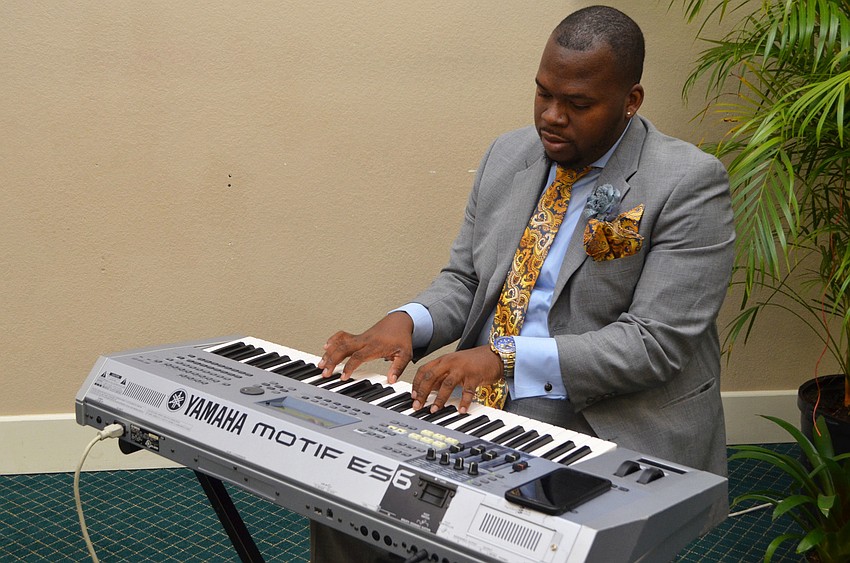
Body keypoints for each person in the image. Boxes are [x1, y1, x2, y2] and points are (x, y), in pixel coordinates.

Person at [314, 5, 735, 561]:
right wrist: (407, 322)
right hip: (480, 393)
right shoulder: (507, 154)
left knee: (508, 534)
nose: (552, 117)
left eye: (578, 104)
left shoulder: (688, 183)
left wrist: (506, 357)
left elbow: (655, 344)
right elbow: (467, 279)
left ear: (630, 101)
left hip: (607, 411)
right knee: (346, 505)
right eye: (543, 94)